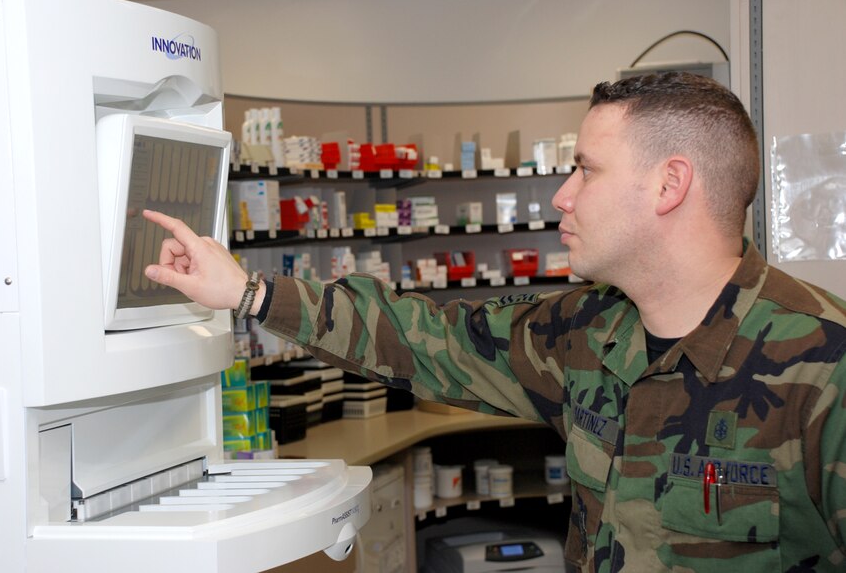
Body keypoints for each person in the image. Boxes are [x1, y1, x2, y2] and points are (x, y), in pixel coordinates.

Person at [143, 72, 846, 572]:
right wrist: (250, 292)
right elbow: (425, 338)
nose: (563, 196)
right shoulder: (581, 333)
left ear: (669, 184)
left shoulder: (826, 364)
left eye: (586, 170)